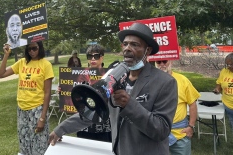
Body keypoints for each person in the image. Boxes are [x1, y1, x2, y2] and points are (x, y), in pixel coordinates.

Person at [49, 22, 178, 155]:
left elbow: (161, 130)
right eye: (125, 44)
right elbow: (94, 110)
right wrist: (61, 129)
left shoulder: (165, 82)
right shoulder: (114, 76)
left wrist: (129, 104)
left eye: (135, 44)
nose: (127, 48)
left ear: (148, 50)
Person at [0, 41, 54, 155]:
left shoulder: (45, 65)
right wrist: (6, 55)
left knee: (39, 146)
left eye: (34, 48)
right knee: (24, 144)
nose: (32, 51)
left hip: (37, 109)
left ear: (40, 48)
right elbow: (1, 74)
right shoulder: (22, 63)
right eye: (29, 49)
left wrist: (42, 118)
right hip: (21, 109)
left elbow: (47, 93)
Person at [49, 44, 112, 143]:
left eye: (96, 56)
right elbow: (75, 98)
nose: (93, 59)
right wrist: (63, 92)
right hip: (83, 127)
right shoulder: (79, 75)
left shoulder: (109, 76)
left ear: (102, 57)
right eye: (90, 56)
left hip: (103, 127)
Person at [155, 59, 200, 155]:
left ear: (171, 61)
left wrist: (191, 126)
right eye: (158, 62)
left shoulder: (182, 80)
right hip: (157, 134)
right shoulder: (150, 81)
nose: (162, 64)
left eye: (164, 61)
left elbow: (192, 104)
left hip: (180, 133)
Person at [213, 52, 233, 129]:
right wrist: (217, 89)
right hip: (228, 105)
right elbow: (219, 83)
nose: (228, 66)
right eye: (227, 64)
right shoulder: (224, 71)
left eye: (231, 64)